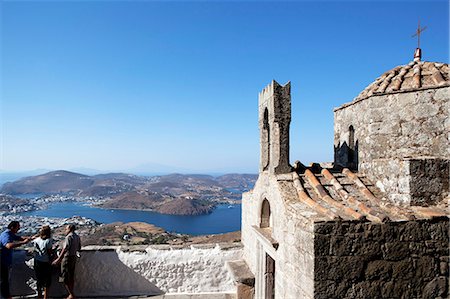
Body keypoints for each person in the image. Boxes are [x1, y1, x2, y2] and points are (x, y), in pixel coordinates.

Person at [0, 221, 31, 299]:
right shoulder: (6, 235)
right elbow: (9, 245)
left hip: (5, 261)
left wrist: (28, 238)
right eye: (18, 227)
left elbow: (18, 237)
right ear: (12, 227)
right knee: (3, 281)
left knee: (5, 281)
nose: (19, 228)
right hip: (2, 262)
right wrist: (23, 242)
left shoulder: (10, 234)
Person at [52, 224, 81, 299]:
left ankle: (71, 294)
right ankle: (71, 293)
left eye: (66, 229)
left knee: (65, 277)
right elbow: (79, 248)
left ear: (70, 229)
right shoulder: (77, 237)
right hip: (73, 257)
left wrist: (59, 259)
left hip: (67, 258)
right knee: (71, 276)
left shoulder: (69, 237)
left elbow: (65, 248)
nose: (65, 230)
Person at [32, 225, 54, 299]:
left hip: (37, 261)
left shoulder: (37, 239)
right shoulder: (48, 241)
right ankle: (45, 297)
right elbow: (49, 252)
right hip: (45, 262)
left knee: (39, 280)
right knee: (47, 281)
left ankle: (39, 296)